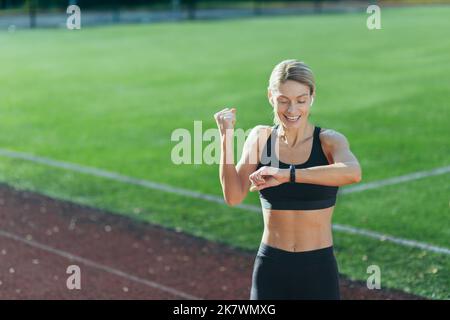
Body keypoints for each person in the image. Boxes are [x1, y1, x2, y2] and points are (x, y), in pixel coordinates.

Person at [213, 59, 362, 299]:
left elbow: (353, 172)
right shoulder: (260, 138)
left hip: (318, 269)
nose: (292, 110)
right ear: (270, 97)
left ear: (312, 96)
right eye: (283, 100)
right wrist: (225, 138)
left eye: (300, 100)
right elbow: (233, 196)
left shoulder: (329, 141)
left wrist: (287, 174)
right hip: (271, 266)